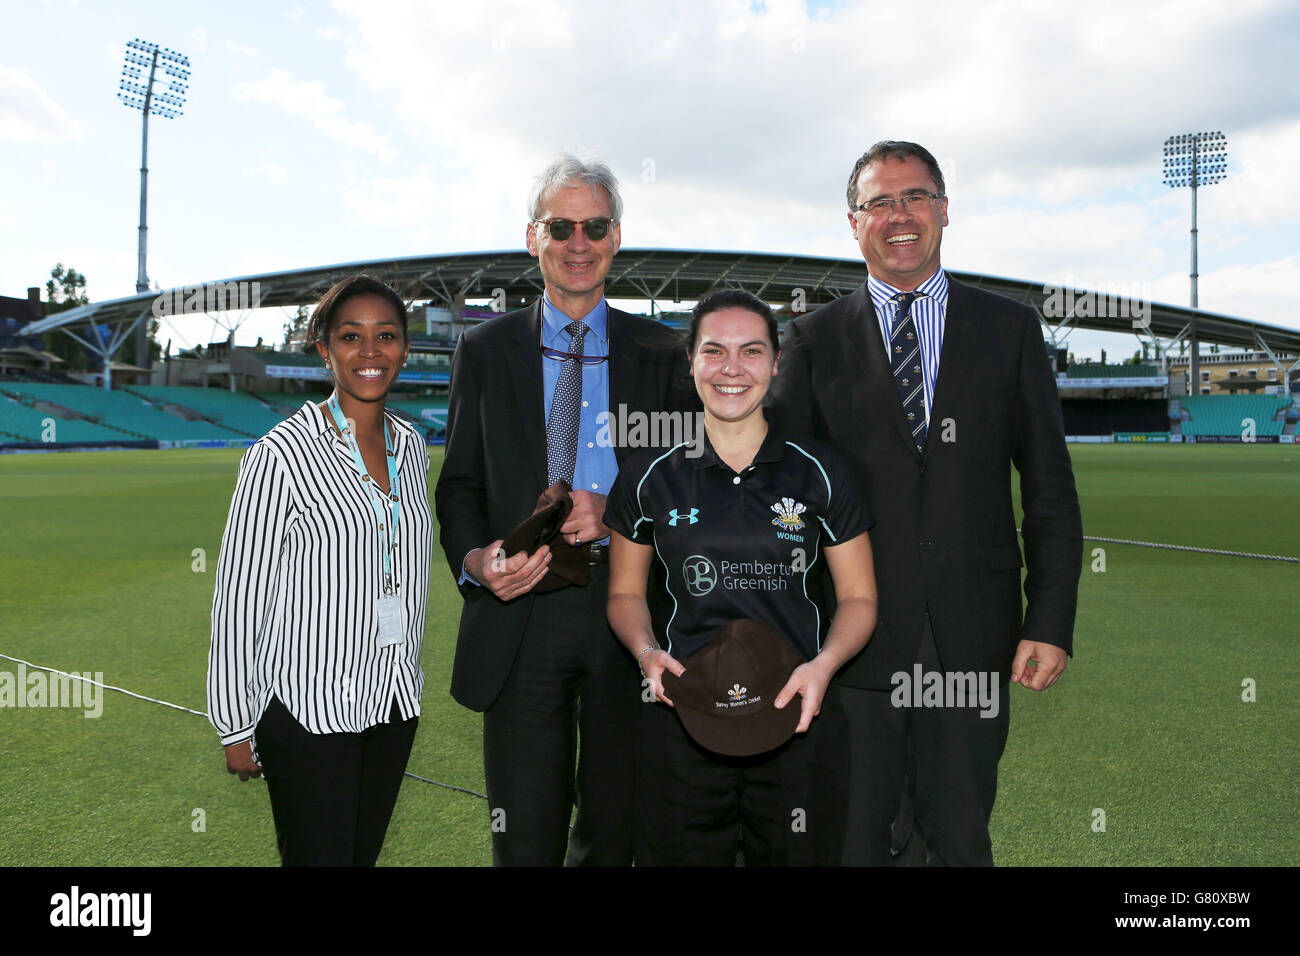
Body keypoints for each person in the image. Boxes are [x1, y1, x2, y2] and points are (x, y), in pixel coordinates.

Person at [770, 140, 1084, 866]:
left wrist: (1051, 620)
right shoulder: (812, 340)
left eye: (914, 197)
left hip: (973, 637)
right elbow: (785, 499)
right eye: (879, 202)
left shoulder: (1007, 329)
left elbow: (1048, 489)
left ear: (944, 209)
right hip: (852, 644)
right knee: (853, 843)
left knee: (960, 841)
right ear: (854, 224)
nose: (899, 215)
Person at [435, 155, 696, 866]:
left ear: (616, 238)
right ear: (532, 237)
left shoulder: (667, 353)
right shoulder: (484, 349)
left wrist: (615, 508)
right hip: (522, 612)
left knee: (615, 832)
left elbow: (696, 483)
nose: (578, 242)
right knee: (522, 831)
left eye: (594, 226)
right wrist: (476, 561)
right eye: (561, 226)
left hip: (630, 605)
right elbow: (458, 485)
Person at [605, 289, 878, 866]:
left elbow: (859, 598)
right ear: (691, 363)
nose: (732, 368)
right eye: (714, 350)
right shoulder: (648, 471)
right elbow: (626, 593)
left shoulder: (821, 470)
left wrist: (823, 667)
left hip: (795, 716)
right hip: (680, 716)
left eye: (752, 351)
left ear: (777, 364)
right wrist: (646, 651)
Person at [207, 274, 432, 866]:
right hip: (308, 708)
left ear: (405, 349)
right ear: (325, 349)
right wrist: (235, 724)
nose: (370, 351)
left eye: (386, 335)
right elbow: (239, 597)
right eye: (351, 336)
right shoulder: (279, 454)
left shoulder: (412, 449)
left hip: (391, 703)